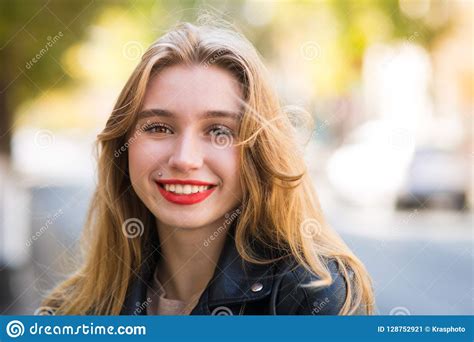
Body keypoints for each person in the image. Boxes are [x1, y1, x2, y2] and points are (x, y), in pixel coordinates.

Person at [41, 20, 374, 315]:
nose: (185, 159)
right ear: (123, 147)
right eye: (158, 127)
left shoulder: (316, 298)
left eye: (219, 131)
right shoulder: (72, 310)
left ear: (259, 151)